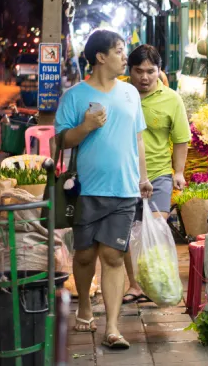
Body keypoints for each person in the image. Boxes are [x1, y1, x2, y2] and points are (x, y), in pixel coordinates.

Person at [55, 29, 152, 351]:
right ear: (101, 57)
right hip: (87, 190)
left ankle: (112, 327)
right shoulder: (74, 96)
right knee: (84, 255)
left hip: (124, 189)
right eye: (120, 50)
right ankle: (84, 305)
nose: (126, 56)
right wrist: (85, 126)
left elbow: (138, 138)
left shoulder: (129, 94)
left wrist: (144, 177)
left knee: (112, 255)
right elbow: (62, 140)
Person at [122, 44, 189, 305]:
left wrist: (179, 172)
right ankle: (135, 284)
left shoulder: (172, 99)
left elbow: (181, 138)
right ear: (130, 71)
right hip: (124, 175)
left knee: (155, 229)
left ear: (159, 70)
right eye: (139, 71)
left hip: (159, 173)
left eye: (150, 71)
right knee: (126, 234)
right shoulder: (122, 96)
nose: (145, 77)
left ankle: (155, 281)